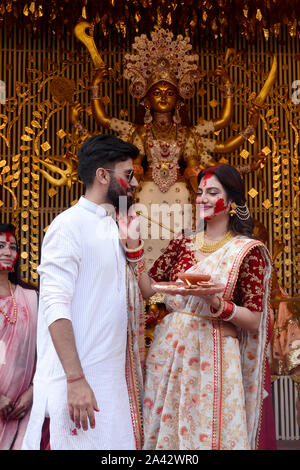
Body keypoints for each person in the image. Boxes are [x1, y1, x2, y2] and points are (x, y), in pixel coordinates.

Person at [71, 27, 275, 269]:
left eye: (170, 92)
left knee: (180, 241)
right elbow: (106, 124)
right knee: (144, 240)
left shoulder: (187, 134)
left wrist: (227, 87)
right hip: (146, 194)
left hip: (180, 195)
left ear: (179, 98)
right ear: (146, 99)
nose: (163, 97)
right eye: (157, 92)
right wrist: (124, 206)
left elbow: (218, 133)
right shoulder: (140, 132)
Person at [131, 163, 274, 450]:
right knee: (165, 435)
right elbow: (147, 290)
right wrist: (134, 243)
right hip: (169, 350)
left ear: (232, 201)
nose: (203, 199)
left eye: (212, 192)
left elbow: (255, 319)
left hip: (215, 353)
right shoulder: (182, 241)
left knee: (209, 434)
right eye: (199, 192)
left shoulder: (246, 250)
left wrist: (216, 303)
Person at [22, 134, 145, 450]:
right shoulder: (68, 226)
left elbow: (142, 295)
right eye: (127, 175)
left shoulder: (113, 225)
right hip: (76, 392)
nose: (132, 184)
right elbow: (55, 306)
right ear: (103, 175)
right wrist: (75, 381)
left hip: (110, 390)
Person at [0, 223, 38, 450]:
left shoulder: (31, 297)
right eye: (1, 246)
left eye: (12, 247)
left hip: (24, 409)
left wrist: (34, 392)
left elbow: (47, 353)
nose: (7, 251)